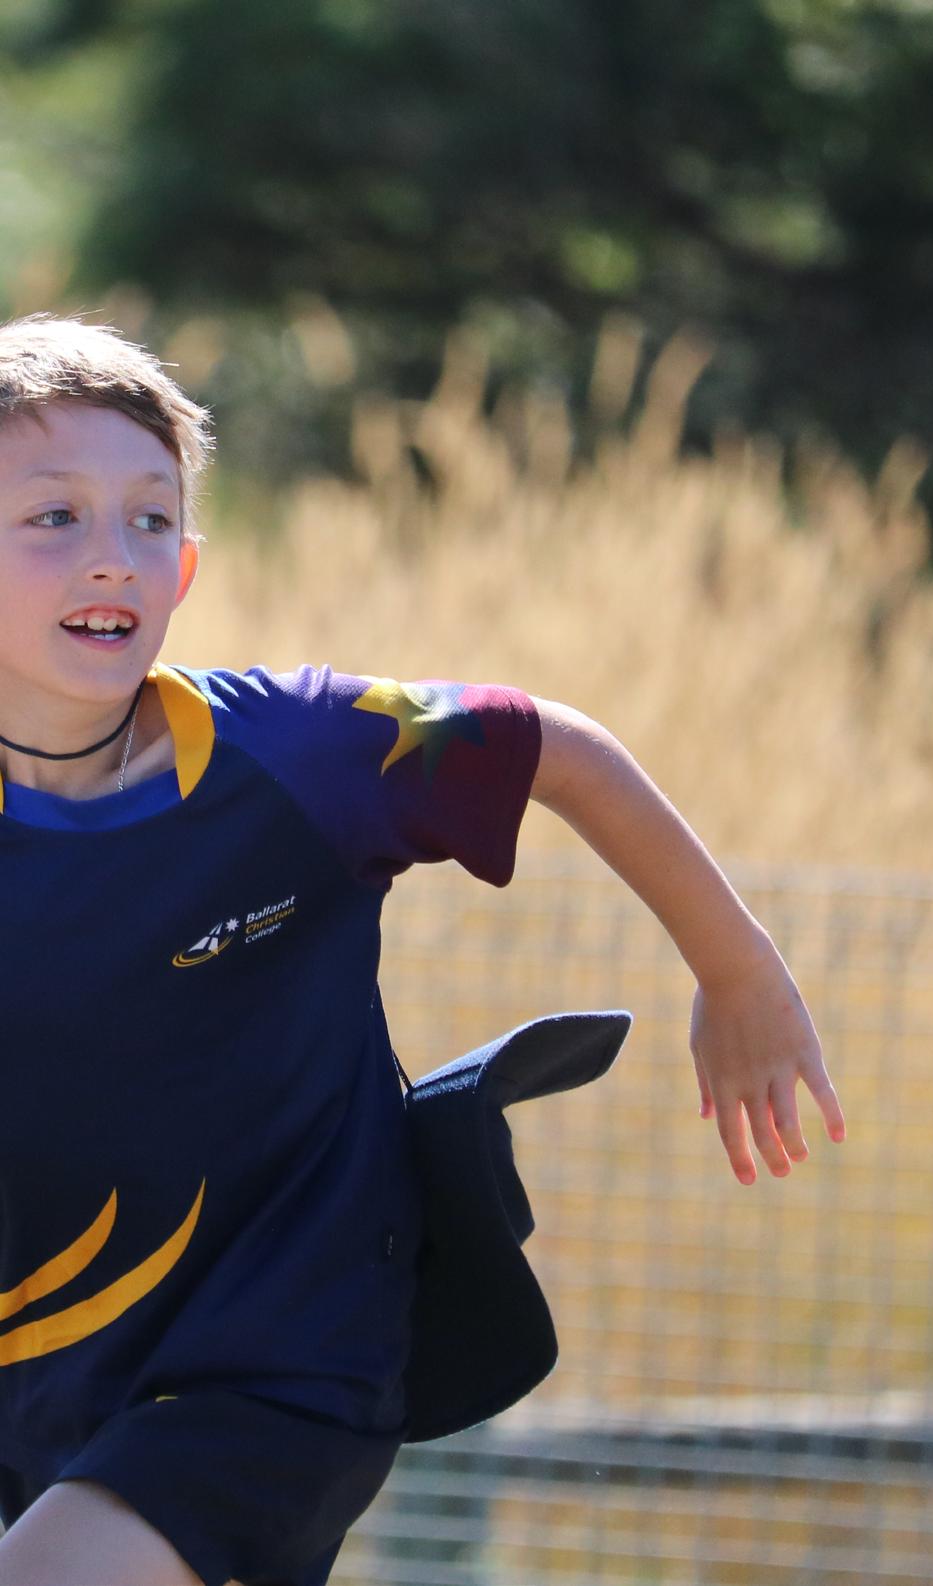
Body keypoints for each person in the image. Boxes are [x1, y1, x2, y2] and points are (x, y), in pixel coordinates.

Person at [0, 312, 845, 1586]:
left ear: (187, 568)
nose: (112, 555)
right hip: (45, 1374)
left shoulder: (306, 750)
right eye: (54, 516)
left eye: (151, 518)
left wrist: (741, 975)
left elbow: (556, 746)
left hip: (286, 1362)